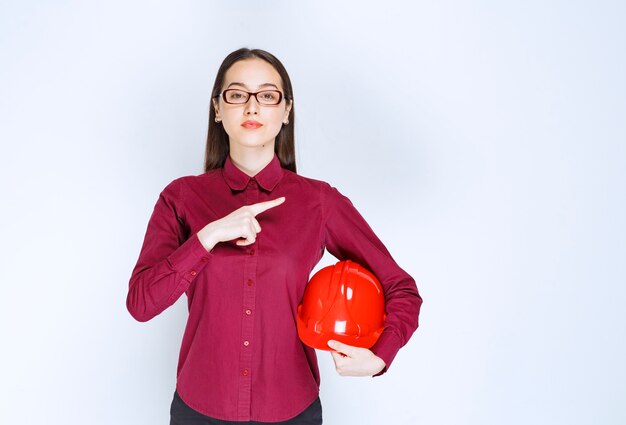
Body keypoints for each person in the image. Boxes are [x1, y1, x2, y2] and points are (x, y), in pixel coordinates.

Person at [126, 47, 422, 425]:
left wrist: (381, 354)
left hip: (291, 409)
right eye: (237, 94)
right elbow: (140, 303)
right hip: (199, 408)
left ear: (286, 112)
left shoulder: (319, 202)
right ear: (218, 109)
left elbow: (400, 286)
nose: (252, 108)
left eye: (267, 96)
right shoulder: (181, 198)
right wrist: (209, 235)